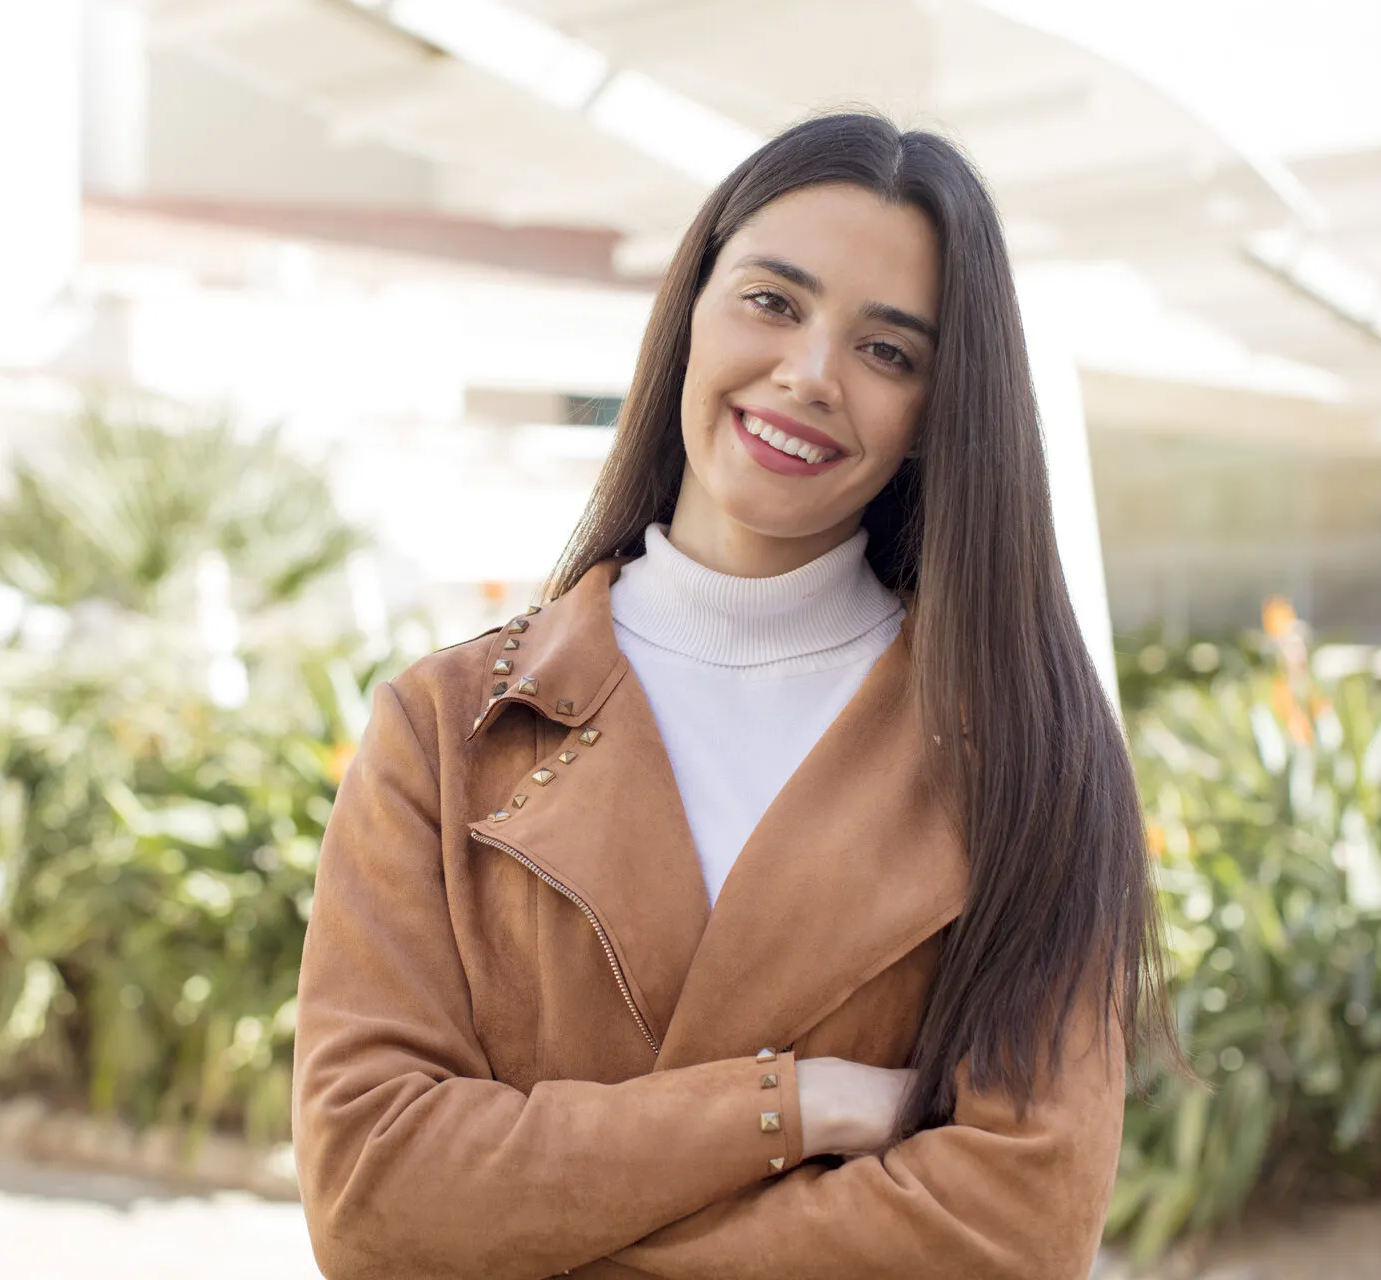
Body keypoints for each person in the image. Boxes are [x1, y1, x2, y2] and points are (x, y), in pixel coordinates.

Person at [291, 111, 1171, 1280]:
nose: (809, 374)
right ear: (690, 308)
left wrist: (532, 1230)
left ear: (933, 416)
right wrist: (792, 1106)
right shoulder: (448, 728)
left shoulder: (1028, 754)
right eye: (772, 300)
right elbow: (371, 1190)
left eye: (889, 351)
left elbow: (1013, 1224)